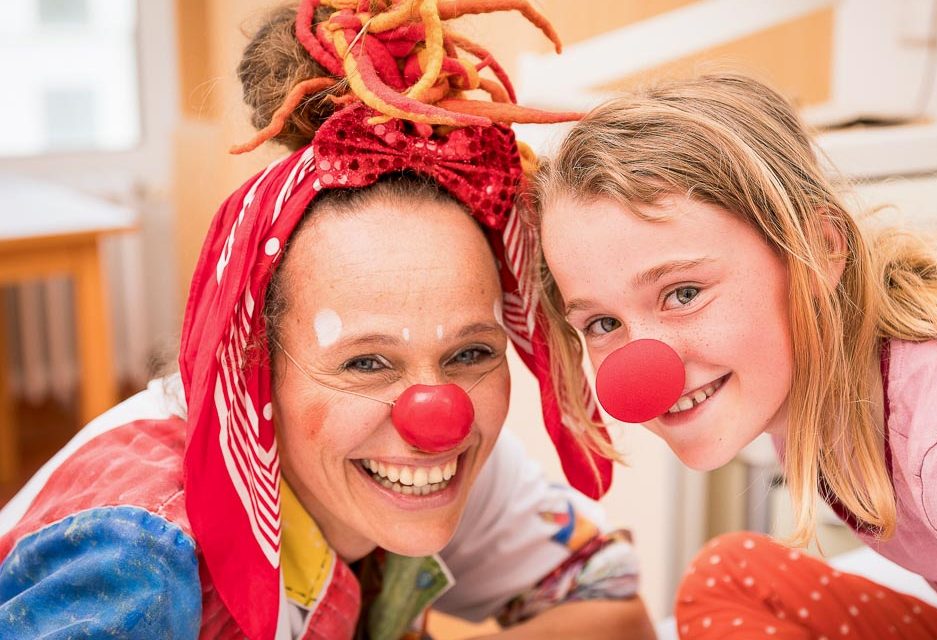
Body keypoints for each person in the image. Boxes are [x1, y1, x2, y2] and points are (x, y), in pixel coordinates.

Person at [0, 2, 656, 638]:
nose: (436, 418)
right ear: (256, 370)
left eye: (469, 353)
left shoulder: (451, 462)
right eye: (366, 361)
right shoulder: (138, 562)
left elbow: (618, 616)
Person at [532, 73, 937, 639]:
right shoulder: (809, 390)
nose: (645, 376)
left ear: (817, 252)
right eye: (604, 323)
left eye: (683, 293)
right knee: (729, 575)